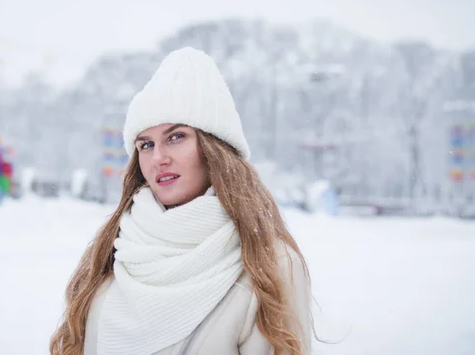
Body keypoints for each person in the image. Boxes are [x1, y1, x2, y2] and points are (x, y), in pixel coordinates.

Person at [50, 47, 313, 355]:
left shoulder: (271, 263)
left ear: (216, 148)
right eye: (146, 144)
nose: (158, 158)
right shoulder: (117, 249)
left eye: (176, 137)